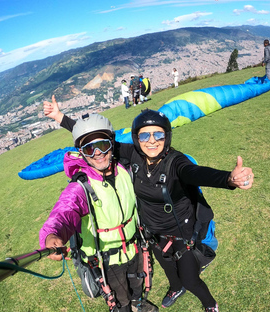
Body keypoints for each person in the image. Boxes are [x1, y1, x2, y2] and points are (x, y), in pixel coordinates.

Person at [43, 97, 255, 312]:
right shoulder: (133, 154)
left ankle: (210, 305)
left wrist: (228, 179)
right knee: (170, 272)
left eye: (158, 134)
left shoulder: (176, 162)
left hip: (181, 234)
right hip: (153, 235)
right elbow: (95, 141)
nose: (151, 141)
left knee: (190, 279)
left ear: (167, 136)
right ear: (137, 138)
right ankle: (175, 288)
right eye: (144, 135)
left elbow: (194, 173)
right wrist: (60, 118)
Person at [39, 113, 158, 312]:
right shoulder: (81, 187)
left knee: (139, 286)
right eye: (89, 148)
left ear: (111, 144)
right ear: (82, 153)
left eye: (102, 145)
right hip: (107, 261)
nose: (97, 153)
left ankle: (139, 303)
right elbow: (64, 212)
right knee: (121, 302)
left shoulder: (126, 170)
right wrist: (52, 234)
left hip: (135, 248)